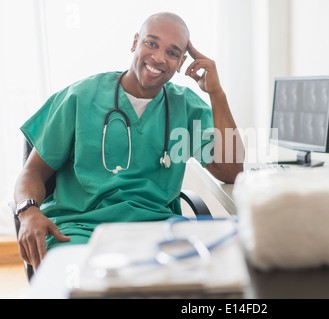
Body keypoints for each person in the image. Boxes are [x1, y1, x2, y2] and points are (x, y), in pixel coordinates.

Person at [14, 12, 244, 269]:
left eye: (172, 52)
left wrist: (217, 93)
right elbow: (32, 172)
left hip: (157, 230)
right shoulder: (80, 97)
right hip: (81, 229)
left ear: (181, 62)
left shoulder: (186, 106)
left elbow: (232, 170)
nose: (158, 58)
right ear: (135, 42)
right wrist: (28, 211)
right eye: (152, 43)